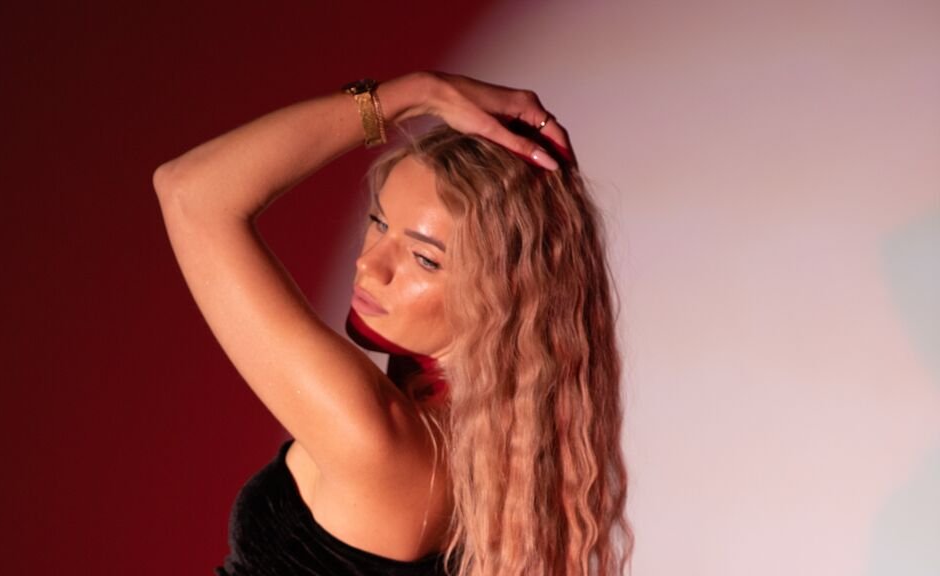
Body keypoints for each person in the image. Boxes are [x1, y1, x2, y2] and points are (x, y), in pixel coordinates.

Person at [153, 72, 632, 576]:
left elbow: (191, 192)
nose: (370, 265)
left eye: (425, 259)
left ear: (502, 298)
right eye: (378, 223)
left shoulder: (373, 433)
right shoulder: (495, 456)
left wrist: (416, 94)